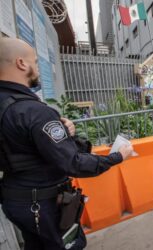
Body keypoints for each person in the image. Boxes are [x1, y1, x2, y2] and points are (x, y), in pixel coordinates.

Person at [0, 38, 134, 250]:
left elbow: (25, 145)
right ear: (21, 63)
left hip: (15, 199)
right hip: (42, 204)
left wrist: (64, 131)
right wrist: (117, 157)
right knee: (68, 244)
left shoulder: (11, 106)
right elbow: (74, 162)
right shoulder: (33, 111)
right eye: (34, 62)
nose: (37, 68)